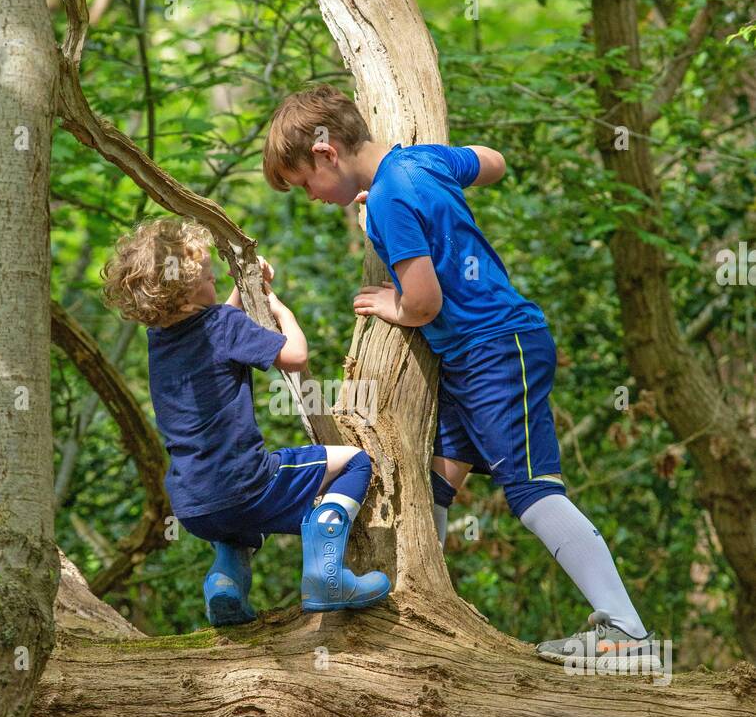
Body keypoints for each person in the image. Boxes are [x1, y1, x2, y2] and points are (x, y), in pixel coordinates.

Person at [262, 84, 658, 674]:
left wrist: (388, 302)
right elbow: (493, 162)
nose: (312, 197)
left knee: (531, 490)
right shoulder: (417, 163)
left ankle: (629, 633)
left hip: (499, 350)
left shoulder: (393, 197)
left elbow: (421, 302)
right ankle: (414, 610)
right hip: (473, 360)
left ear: (326, 155)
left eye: (304, 183)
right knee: (433, 485)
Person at [101, 216, 390, 625]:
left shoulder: (161, 340)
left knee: (238, 529)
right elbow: (294, 356)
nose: (214, 275)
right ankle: (325, 578)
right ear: (185, 287)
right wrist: (278, 309)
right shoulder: (222, 325)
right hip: (249, 484)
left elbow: (216, 330)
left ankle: (225, 586)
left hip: (194, 505)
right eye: (207, 274)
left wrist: (245, 287)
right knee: (355, 462)